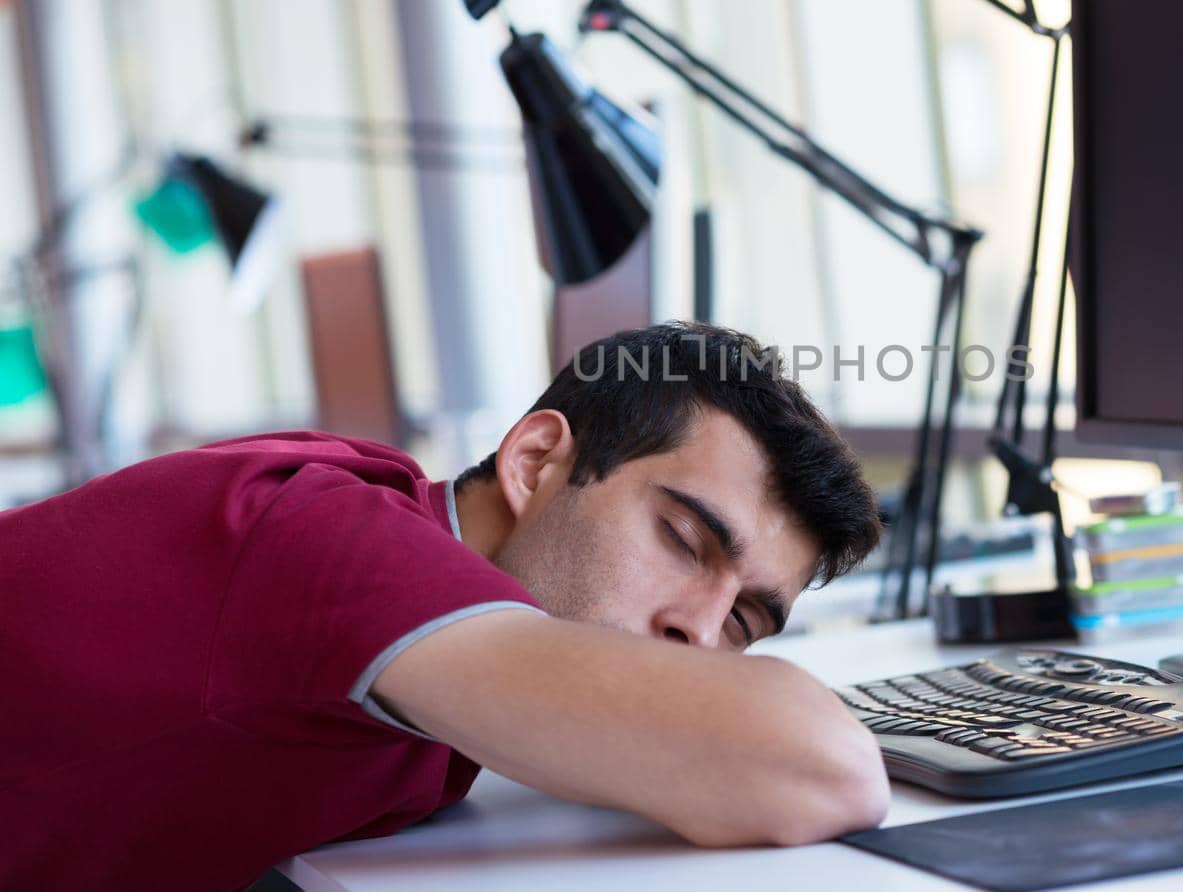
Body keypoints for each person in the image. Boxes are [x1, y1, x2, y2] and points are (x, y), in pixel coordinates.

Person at [1, 322, 890, 890]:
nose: (698, 629)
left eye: (743, 622)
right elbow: (825, 769)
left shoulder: (425, 599)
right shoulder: (336, 540)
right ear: (535, 462)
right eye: (685, 542)